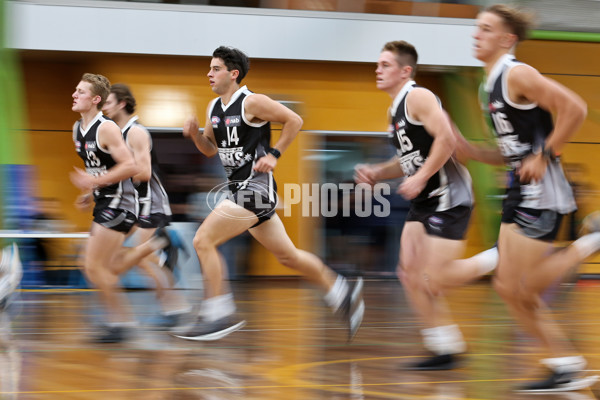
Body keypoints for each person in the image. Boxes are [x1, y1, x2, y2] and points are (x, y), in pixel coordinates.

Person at [454, 4, 600, 391]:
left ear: (507, 39)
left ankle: (591, 240)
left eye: (485, 29)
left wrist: (544, 154)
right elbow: (511, 150)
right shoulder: (490, 84)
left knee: (525, 288)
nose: (476, 34)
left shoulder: (518, 73)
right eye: (476, 28)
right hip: (519, 190)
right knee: (506, 287)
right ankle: (565, 363)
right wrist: (470, 150)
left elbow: (575, 108)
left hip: (543, 193)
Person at [178, 46, 364, 341]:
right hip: (238, 190)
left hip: (257, 189)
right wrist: (195, 136)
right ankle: (341, 289)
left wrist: (275, 154)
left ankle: (219, 312)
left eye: (215, 69)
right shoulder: (214, 109)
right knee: (288, 256)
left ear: (233, 73)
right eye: (210, 68)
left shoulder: (252, 102)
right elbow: (211, 149)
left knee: (203, 239)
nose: (209, 74)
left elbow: (295, 121)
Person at [354, 40, 498, 370]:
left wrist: (421, 177)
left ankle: (499, 256)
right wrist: (379, 172)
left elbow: (447, 139)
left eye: (385, 65)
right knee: (410, 274)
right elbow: (407, 159)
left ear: (405, 71)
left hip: (449, 196)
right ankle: (444, 347)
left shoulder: (418, 96)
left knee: (435, 277)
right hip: (425, 200)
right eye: (378, 64)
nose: (378, 70)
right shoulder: (395, 110)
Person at [70, 73, 170, 342]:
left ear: (95, 99)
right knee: (102, 267)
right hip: (105, 199)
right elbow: (101, 168)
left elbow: (131, 166)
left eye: (80, 91)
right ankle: (121, 321)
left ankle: (122, 324)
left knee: (93, 265)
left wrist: (94, 181)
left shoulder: (107, 128)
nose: (74, 95)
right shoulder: (77, 129)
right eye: (75, 91)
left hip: (121, 203)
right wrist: (90, 191)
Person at [102, 83, 191, 326]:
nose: (104, 108)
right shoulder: (115, 135)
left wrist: (118, 171)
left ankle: (174, 309)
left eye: (108, 103)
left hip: (150, 204)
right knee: (116, 257)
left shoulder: (136, 132)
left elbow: (143, 172)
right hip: (129, 206)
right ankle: (163, 247)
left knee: (141, 259)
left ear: (122, 104)